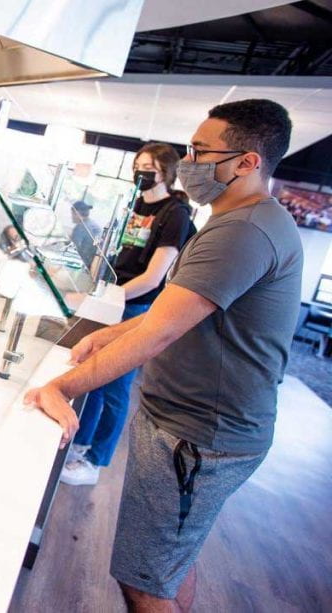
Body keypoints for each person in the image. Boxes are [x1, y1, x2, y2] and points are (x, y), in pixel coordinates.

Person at [25, 99, 302, 612]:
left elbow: (158, 334)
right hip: (189, 426)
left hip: (199, 434)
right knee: (168, 562)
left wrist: (62, 386)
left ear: (247, 162)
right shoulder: (236, 220)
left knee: (145, 581)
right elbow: (172, 315)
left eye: (200, 151)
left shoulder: (244, 231)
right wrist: (106, 337)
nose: (189, 163)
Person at [61, 143, 195, 486]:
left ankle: (96, 460)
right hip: (114, 299)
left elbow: (155, 275)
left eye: (148, 166)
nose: (140, 171)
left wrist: (113, 295)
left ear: (165, 172)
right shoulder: (135, 206)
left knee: (116, 386)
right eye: (137, 164)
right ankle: (80, 444)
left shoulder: (175, 214)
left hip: (137, 305)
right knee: (94, 378)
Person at [69, 200, 102, 269]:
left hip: (81, 265)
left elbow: (72, 249)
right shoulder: (94, 225)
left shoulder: (80, 227)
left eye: (72, 214)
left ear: (77, 213)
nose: (71, 216)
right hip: (92, 266)